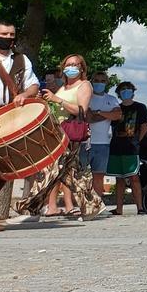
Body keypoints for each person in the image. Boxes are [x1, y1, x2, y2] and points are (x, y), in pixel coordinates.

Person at [16, 54, 105, 219]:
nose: (71, 67)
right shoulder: (63, 87)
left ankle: (28, 208)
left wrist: (57, 100)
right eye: (68, 64)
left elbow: (81, 111)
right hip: (57, 133)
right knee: (72, 174)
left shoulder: (84, 86)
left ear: (82, 68)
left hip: (70, 134)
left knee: (48, 170)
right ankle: (93, 205)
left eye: (75, 65)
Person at [0, 19, 41, 231]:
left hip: (8, 118)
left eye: (11, 35)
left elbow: (33, 84)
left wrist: (24, 95)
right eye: (4, 34)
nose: (8, 38)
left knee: (0, 173)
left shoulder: (21, 60)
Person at [108, 81, 147, 215]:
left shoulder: (140, 107)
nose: (126, 91)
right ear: (119, 93)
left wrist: (138, 141)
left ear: (133, 91)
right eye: (123, 89)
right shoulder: (116, 109)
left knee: (134, 177)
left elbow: (144, 126)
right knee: (119, 179)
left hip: (132, 148)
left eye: (128, 89)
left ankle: (140, 207)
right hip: (116, 146)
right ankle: (119, 208)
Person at [86, 71, 121, 201]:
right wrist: (107, 114)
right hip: (87, 141)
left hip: (103, 143)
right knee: (83, 175)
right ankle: (84, 203)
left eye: (102, 81)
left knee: (99, 175)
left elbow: (117, 115)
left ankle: (98, 202)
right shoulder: (87, 97)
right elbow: (88, 117)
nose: (99, 83)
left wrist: (98, 112)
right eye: (96, 80)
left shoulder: (111, 99)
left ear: (106, 83)